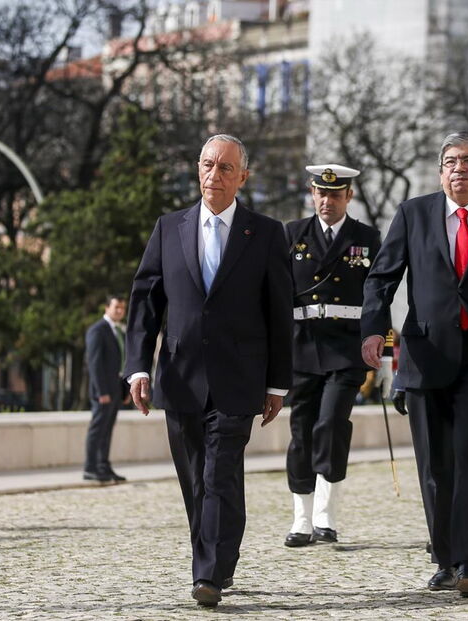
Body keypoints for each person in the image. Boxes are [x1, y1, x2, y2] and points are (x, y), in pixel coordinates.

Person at [360, 131, 468, 598]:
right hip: (426, 355)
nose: (459, 168)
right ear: (440, 173)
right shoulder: (413, 214)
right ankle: (444, 559)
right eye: (451, 161)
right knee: (435, 463)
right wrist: (374, 330)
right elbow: (381, 278)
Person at [123, 134, 293, 608]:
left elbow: (279, 312)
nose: (214, 175)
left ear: (243, 177)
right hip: (180, 377)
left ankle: (208, 575)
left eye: (225, 168)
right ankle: (221, 557)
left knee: (219, 474)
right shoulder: (168, 228)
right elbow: (146, 301)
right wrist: (137, 368)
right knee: (196, 480)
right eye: (207, 165)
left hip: (239, 379)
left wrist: (278, 382)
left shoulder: (265, 233)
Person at [283, 163, 387, 547]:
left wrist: (385, 351)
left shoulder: (366, 238)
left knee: (330, 424)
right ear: (313, 194)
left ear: (349, 196)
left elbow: (379, 296)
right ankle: (301, 518)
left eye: (335, 194)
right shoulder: (293, 234)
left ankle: (325, 515)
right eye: (321, 193)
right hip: (302, 344)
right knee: (301, 430)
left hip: (346, 347)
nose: (327, 201)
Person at [83, 295, 129, 482]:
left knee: (108, 429)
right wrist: (102, 392)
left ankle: (104, 466)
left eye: (122, 308)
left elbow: (123, 363)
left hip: (116, 389)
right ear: (106, 308)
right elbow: (94, 364)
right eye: (116, 307)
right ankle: (90, 468)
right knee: (98, 429)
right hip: (103, 391)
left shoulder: (120, 331)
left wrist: (125, 390)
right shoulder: (97, 330)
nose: (119, 311)